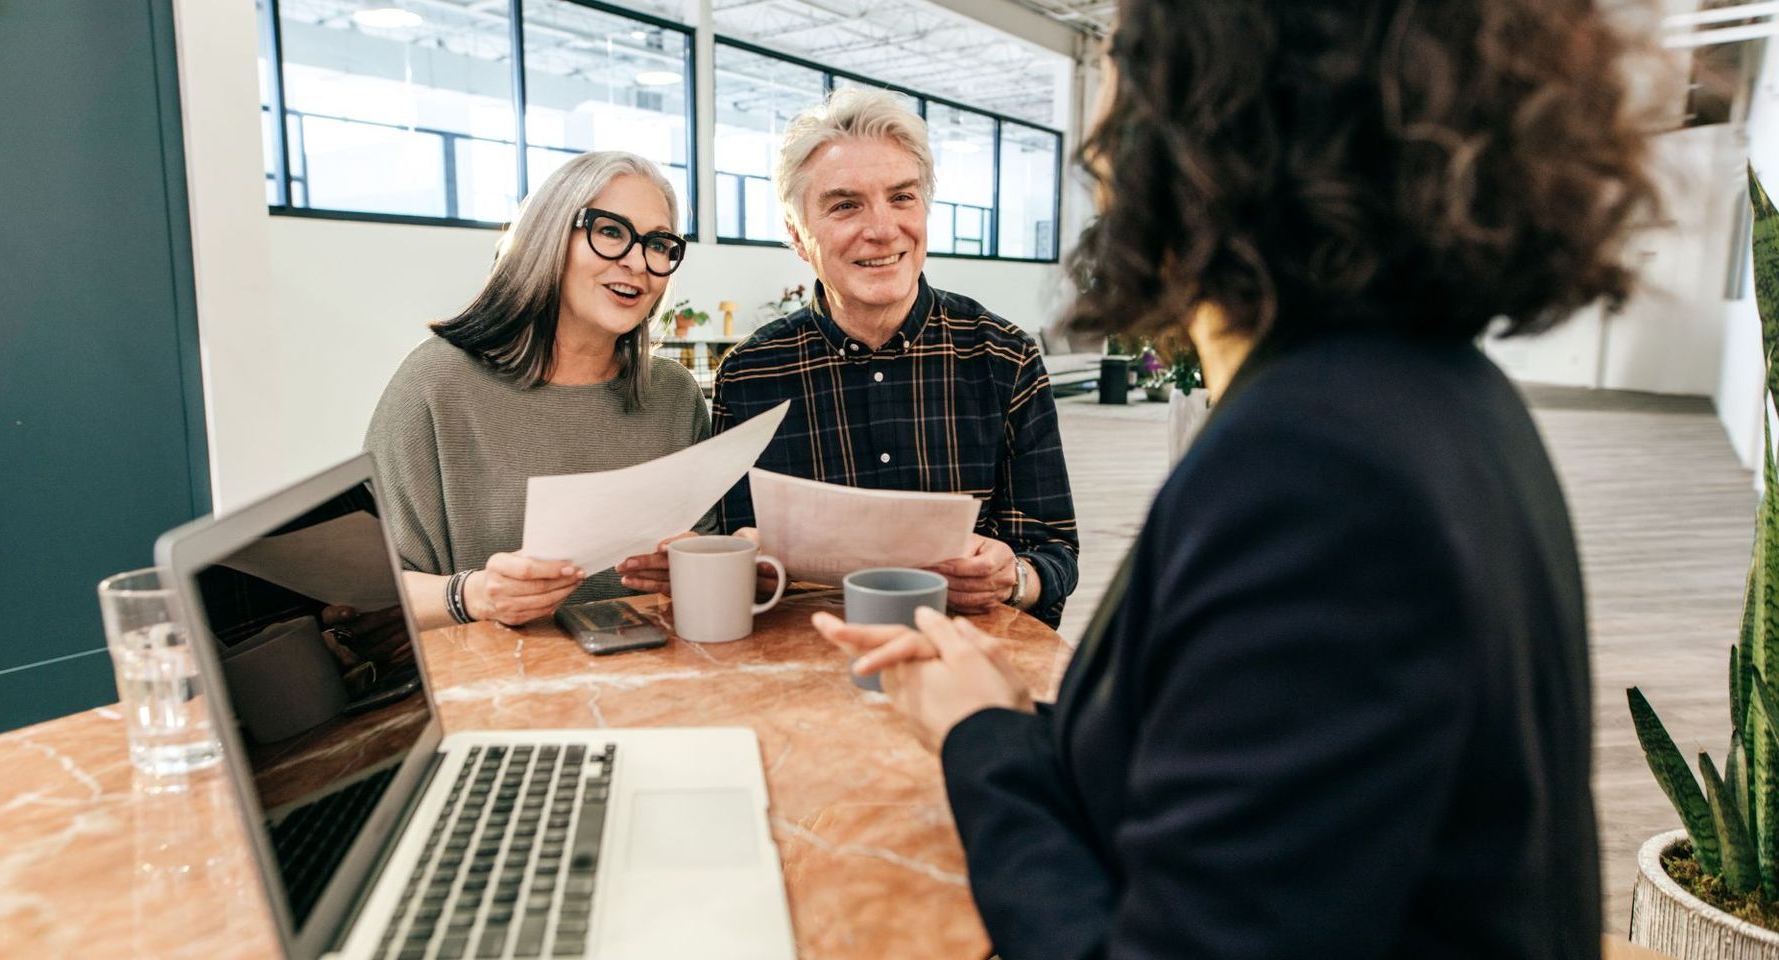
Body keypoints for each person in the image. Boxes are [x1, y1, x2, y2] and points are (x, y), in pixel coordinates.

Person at [816, 0, 1659, 956]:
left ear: (1208, 131)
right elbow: (1242, 781)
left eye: (1123, 78)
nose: (1094, 147)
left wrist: (978, 747)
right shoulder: (1440, 395)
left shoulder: (1317, 469)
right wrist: (1013, 724)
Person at [702, 87, 1079, 628]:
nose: (882, 229)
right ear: (797, 235)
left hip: (968, 668)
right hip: (808, 672)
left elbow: (1053, 552)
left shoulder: (1004, 357)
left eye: (901, 197)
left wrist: (1015, 576)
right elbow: (739, 554)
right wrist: (744, 563)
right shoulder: (751, 376)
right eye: (845, 205)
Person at [366, 151, 709, 630]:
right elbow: (365, 599)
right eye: (610, 231)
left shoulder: (674, 396)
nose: (637, 262)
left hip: (656, 683)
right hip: (496, 692)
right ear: (549, 237)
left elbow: (709, 548)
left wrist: (692, 570)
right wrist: (476, 595)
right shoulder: (437, 383)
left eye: (658, 243)